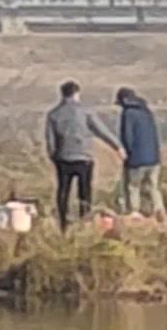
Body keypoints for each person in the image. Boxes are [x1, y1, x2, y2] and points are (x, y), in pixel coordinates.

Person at [45, 80, 122, 230]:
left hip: (63, 158)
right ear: (76, 93)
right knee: (84, 192)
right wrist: (117, 146)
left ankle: (63, 223)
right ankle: (85, 221)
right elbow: (101, 130)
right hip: (84, 157)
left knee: (63, 191)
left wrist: (54, 156)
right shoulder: (85, 112)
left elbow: (50, 140)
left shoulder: (53, 114)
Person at [115, 88, 164, 216]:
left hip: (137, 159)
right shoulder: (147, 111)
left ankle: (134, 213)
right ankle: (158, 211)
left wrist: (127, 153)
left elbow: (128, 136)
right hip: (154, 158)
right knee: (153, 187)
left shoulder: (128, 113)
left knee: (133, 186)